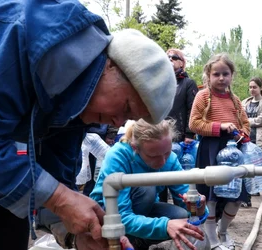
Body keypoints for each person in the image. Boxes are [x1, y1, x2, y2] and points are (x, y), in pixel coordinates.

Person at [0, 1, 177, 249]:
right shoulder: (25, 37)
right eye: (127, 108)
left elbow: (53, 179)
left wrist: (76, 233)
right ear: (110, 66)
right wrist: (61, 200)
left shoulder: (79, 103)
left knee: (6, 215)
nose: (118, 122)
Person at [90, 119, 207, 250]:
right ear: (135, 147)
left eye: (167, 153)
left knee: (181, 217)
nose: (163, 161)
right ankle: (117, 242)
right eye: (153, 156)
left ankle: (138, 243)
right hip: (106, 215)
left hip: (144, 209)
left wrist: (198, 208)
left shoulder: (171, 159)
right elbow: (120, 216)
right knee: (146, 186)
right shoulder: (118, 156)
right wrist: (165, 225)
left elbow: (188, 200)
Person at [189, 53, 250, 250]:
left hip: (233, 151)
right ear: (208, 75)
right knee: (211, 198)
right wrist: (220, 127)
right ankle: (213, 242)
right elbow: (194, 123)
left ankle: (222, 231)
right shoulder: (203, 96)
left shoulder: (235, 100)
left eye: (226, 73)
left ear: (232, 75)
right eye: (216, 74)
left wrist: (243, 134)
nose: (221, 78)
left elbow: (245, 124)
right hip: (210, 149)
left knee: (236, 197)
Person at [159, 48, 198, 204]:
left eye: (174, 57)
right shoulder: (159, 82)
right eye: (166, 57)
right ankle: (160, 211)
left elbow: (192, 109)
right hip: (160, 136)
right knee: (159, 177)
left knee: (178, 178)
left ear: (182, 62)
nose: (169, 59)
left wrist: (190, 134)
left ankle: (181, 213)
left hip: (181, 139)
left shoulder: (188, 83)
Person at [241, 77, 262, 212]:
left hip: (259, 141)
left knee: (261, 170)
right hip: (245, 140)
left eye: (254, 87)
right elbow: (239, 119)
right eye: (250, 87)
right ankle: (246, 199)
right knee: (246, 171)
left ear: (261, 88)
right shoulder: (245, 102)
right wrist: (247, 121)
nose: (252, 90)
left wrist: (246, 121)